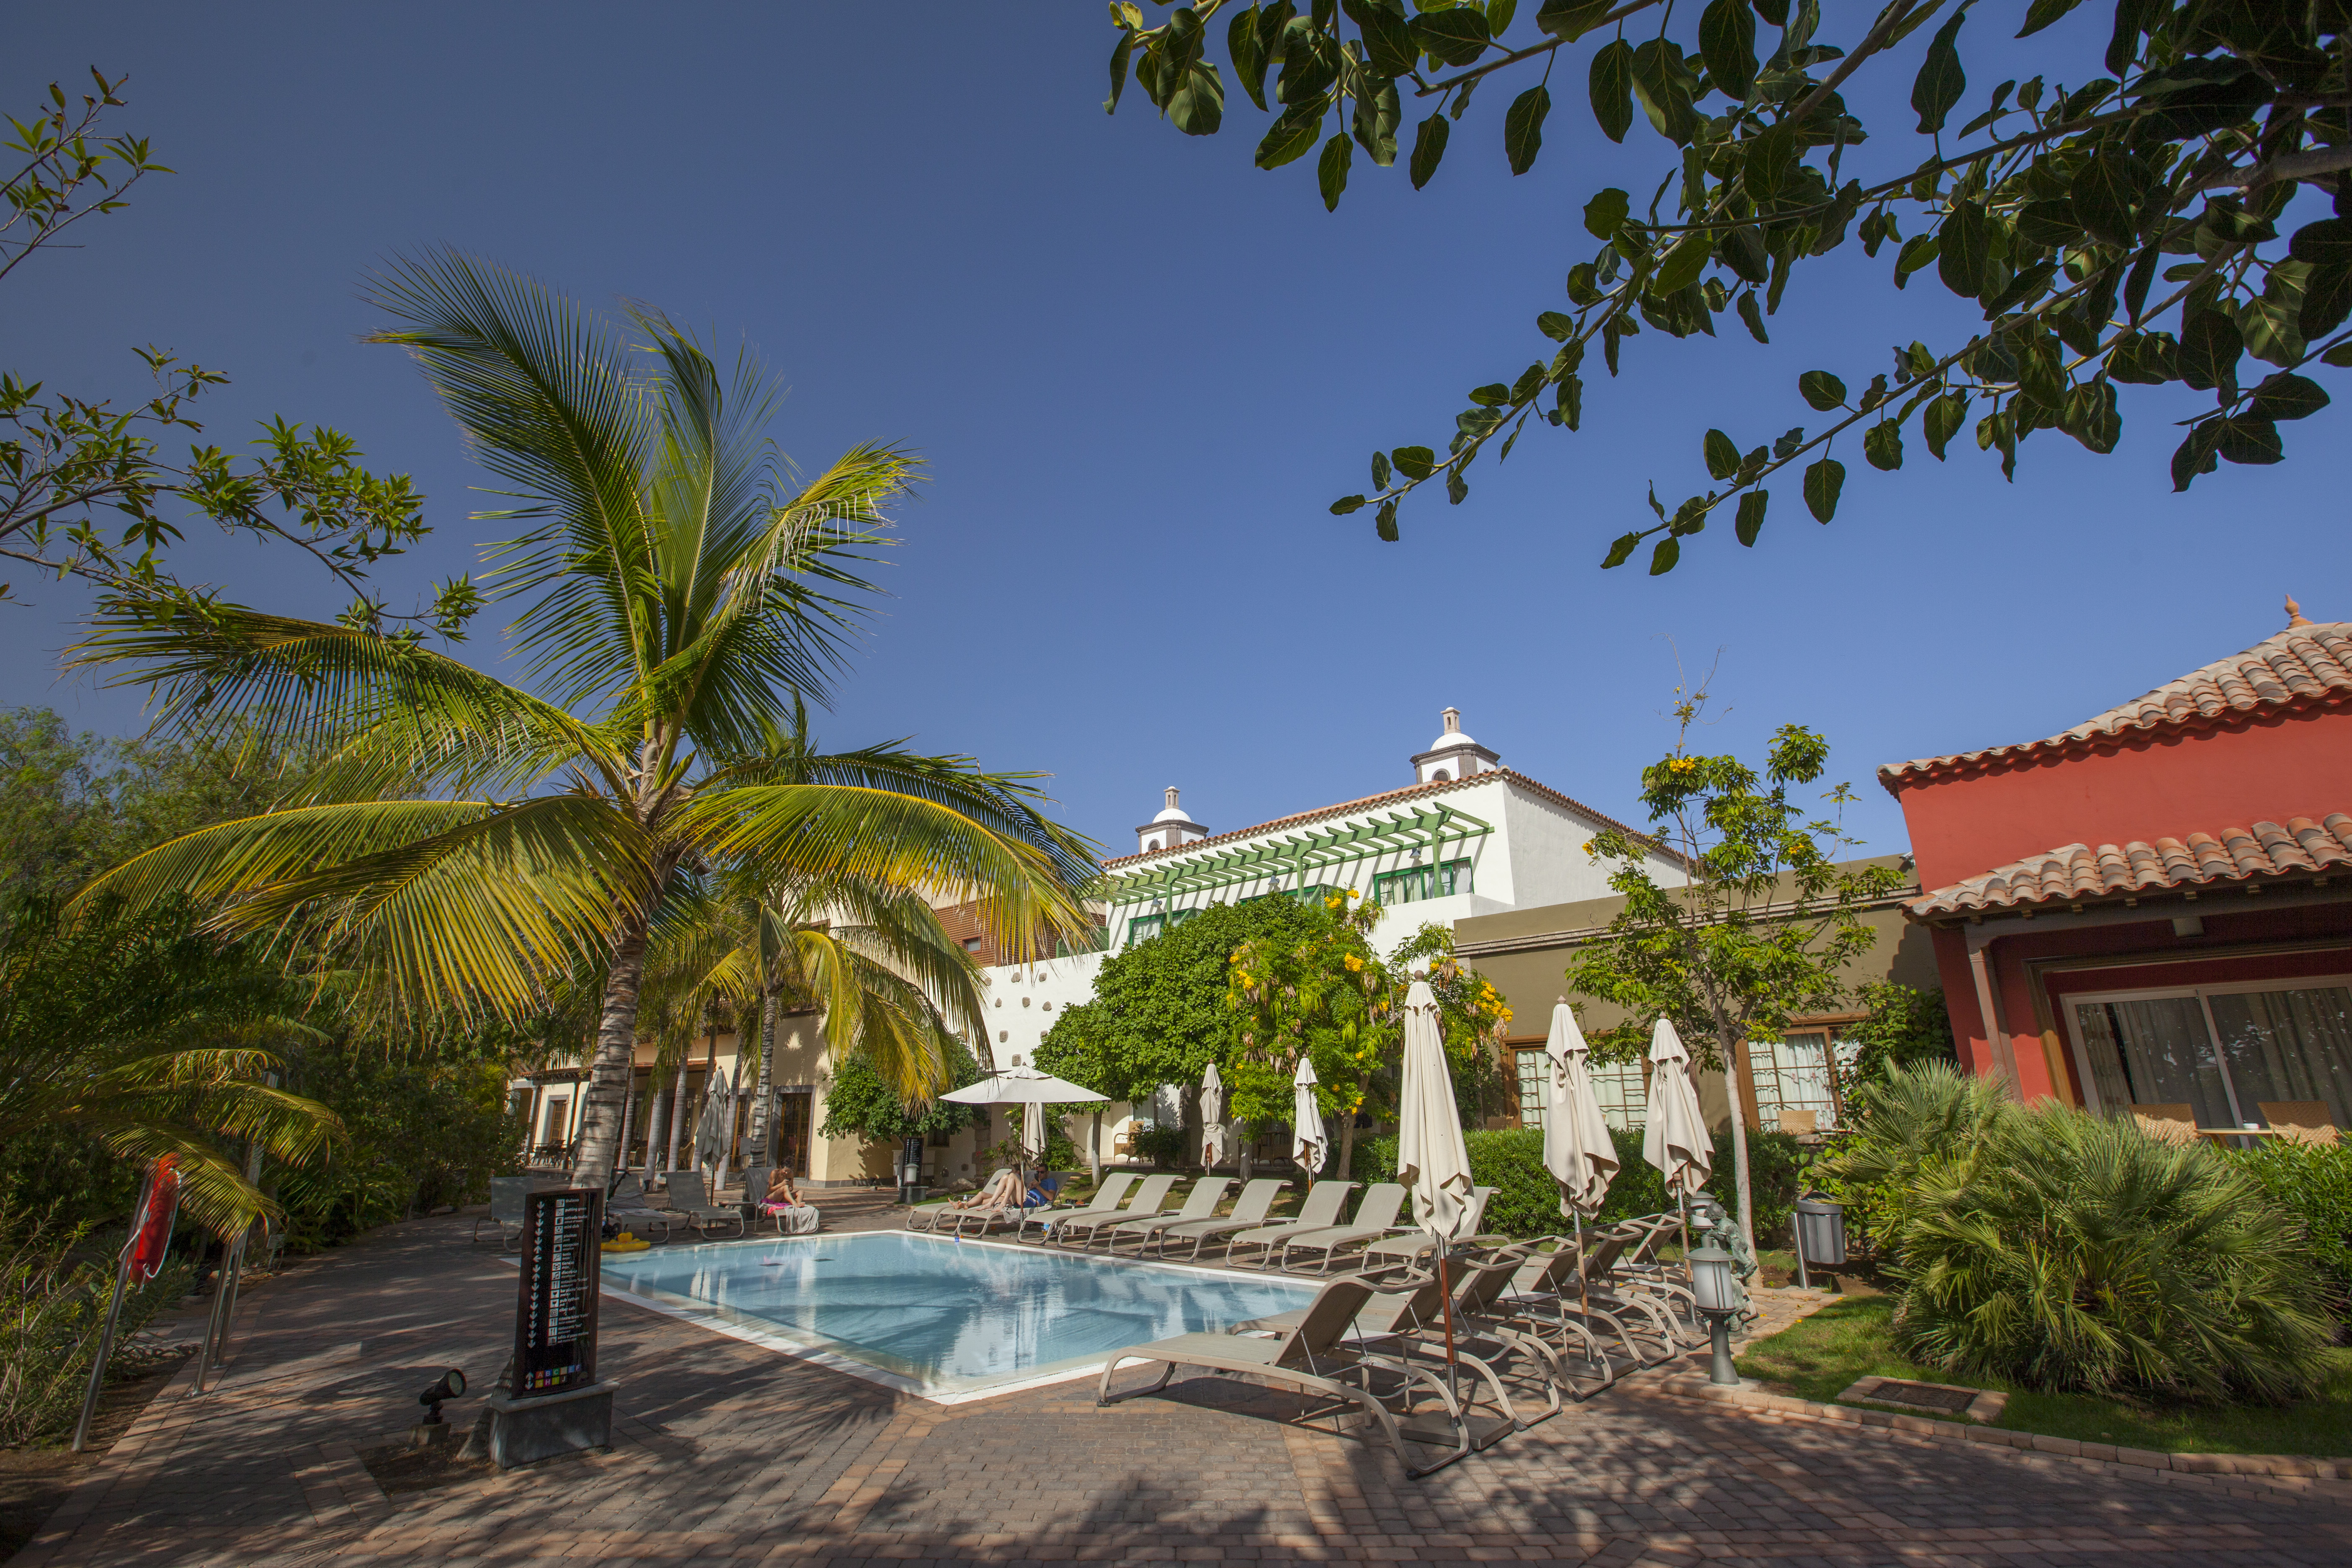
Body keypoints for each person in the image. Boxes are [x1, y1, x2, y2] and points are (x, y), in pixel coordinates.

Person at [760, 1167, 821, 1235]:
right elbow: (770, 1190)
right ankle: (795, 1204)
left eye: (788, 1171)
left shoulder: (791, 1173)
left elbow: (791, 1187)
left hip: (783, 1196)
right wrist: (782, 1184)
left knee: (801, 1192)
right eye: (785, 1171)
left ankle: (799, 1205)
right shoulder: (775, 1173)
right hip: (772, 1197)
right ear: (781, 1168)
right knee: (785, 1187)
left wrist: (791, 1188)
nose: (787, 1173)